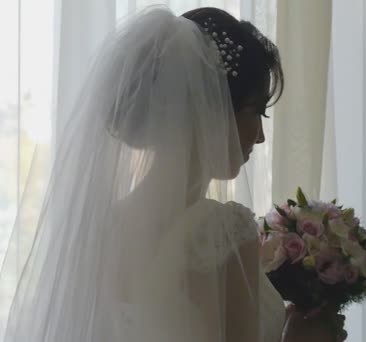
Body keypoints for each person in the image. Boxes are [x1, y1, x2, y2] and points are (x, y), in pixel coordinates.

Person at [0, 6, 344, 342]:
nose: (260, 135)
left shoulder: (97, 229)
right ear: (211, 108)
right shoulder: (221, 232)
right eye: (256, 112)